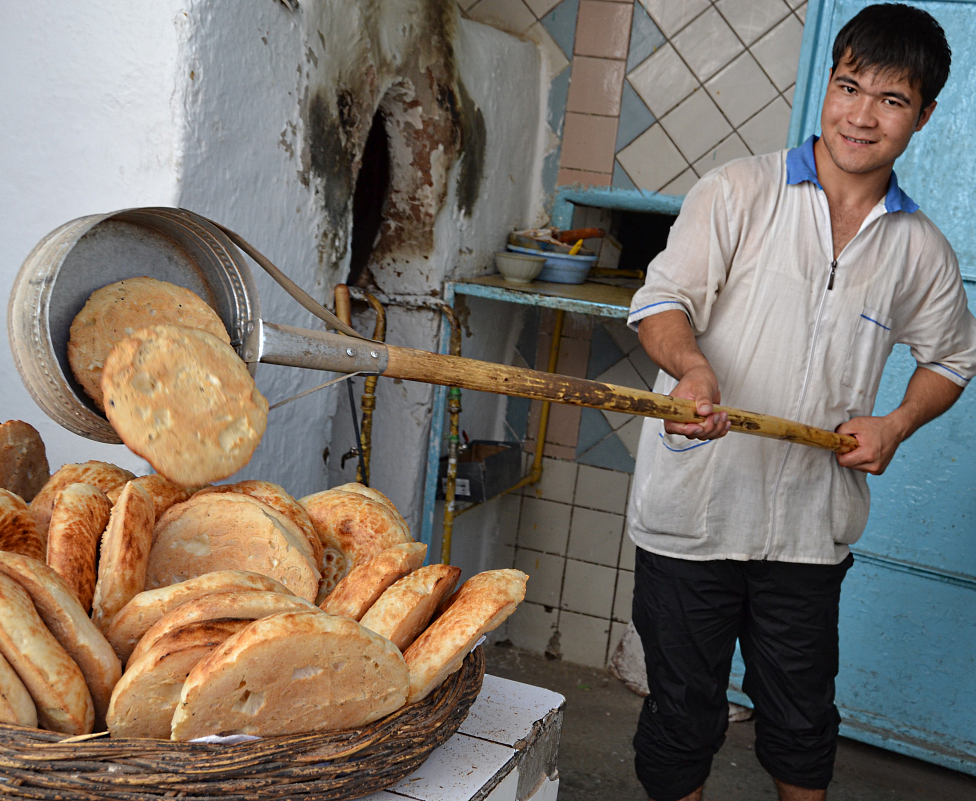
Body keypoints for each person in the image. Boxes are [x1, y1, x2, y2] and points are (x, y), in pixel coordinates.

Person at [625, 5, 976, 801]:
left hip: (809, 533)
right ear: (828, 84)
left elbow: (953, 357)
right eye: (849, 86)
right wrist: (691, 369)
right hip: (695, 513)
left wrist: (896, 422)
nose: (861, 114)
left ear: (924, 114)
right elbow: (662, 302)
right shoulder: (740, 191)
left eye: (891, 99)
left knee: (801, 716)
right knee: (683, 712)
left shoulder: (918, 248)